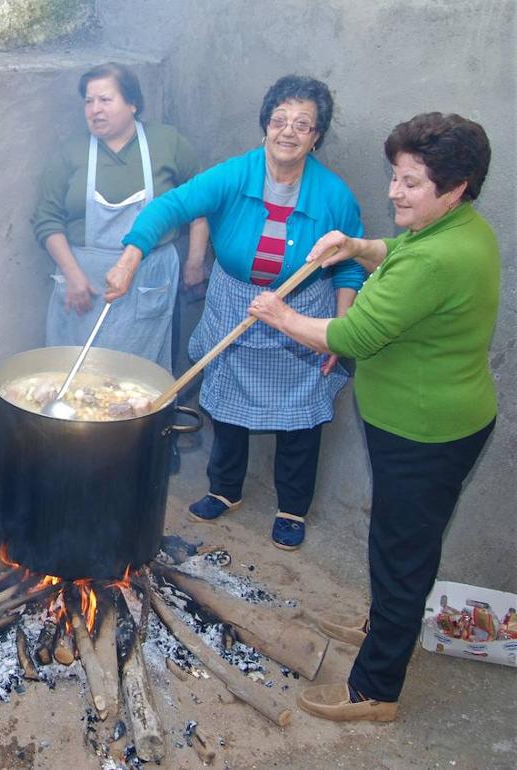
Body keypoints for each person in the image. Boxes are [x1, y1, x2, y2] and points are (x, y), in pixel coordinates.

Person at [250, 113, 498, 722]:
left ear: (455, 186)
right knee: (400, 539)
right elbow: (397, 250)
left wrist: (279, 315)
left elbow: (353, 333)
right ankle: (383, 622)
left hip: (425, 431)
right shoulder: (457, 227)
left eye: (411, 183)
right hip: (423, 420)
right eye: (395, 177)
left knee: (402, 551)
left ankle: (375, 689)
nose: (394, 192)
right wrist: (357, 246)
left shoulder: (439, 258)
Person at [110, 75, 366, 550]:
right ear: (265, 126)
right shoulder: (235, 175)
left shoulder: (334, 196)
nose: (287, 132)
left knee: (301, 418)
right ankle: (225, 490)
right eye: (279, 120)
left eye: (302, 125)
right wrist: (130, 256)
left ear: (316, 137)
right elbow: (170, 207)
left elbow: (350, 268)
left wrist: (339, 330)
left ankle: (292, 507)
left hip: (302, 311)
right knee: (226, 403)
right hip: (235, 303)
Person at [34, 61, 209, 370]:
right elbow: (47, 219)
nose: (94, 110)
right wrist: (73, 276)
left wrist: (195, 262)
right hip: (84, 283)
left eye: (105, 100)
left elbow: (200, 206)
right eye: (88, 101)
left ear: (132, 103)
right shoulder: (70, 152)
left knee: (137, 382)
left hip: (149, 279)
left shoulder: (167, 143)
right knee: (77, 377)